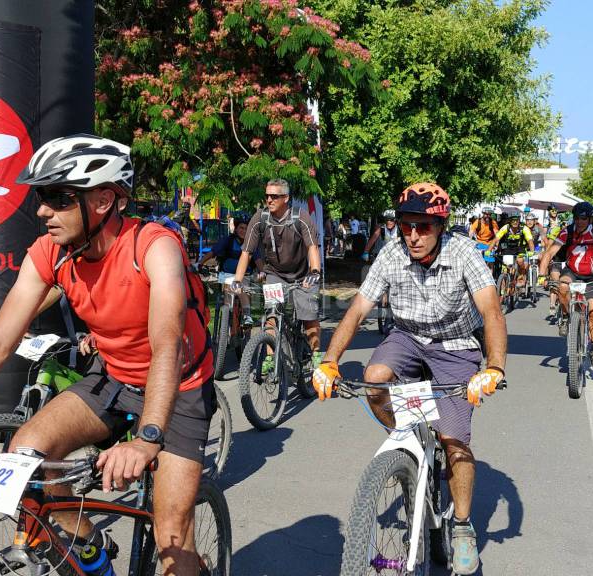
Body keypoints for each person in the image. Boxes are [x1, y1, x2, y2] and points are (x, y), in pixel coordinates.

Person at [0, 134, 215, 575]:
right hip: (116, 378)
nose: (43, 210)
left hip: (180, 389)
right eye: (40, 197)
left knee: (173, 537)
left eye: (58, 197)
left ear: (104, 200)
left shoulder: (153, 247)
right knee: (29, 450)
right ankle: (90, 550)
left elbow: (166, 343)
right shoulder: (52, 253)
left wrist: (147, 438)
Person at [311, 182, 506, 575]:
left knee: (454, 442)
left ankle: (463, 527)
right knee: (374, 377)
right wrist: (329, 361)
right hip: (407, 337)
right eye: (405, 226)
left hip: (455, 345)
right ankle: (409, 445)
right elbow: (356, 310)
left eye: (422, 227)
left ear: (440, 226)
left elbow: (491, 312)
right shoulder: (392, 253)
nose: (413, 236)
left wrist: (494, 367)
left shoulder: (463, 251)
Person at [232, 178, 324, 367]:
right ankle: (269, 358)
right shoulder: (260, 218)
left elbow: (312, 247)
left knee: (309, 316)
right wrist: (238, 280)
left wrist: (314, 271)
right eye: (267, 196)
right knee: (271, 315)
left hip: (302, 275)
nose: (269, 200)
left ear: (286, 198)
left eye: (274, 196)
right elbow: (246, 252)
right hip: (274, 273)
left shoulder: (301, 217)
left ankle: (315, 354)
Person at [537, 201, 593, 371]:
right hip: (572, 271)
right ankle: (567, 316)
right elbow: (550, 253)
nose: (579, 221)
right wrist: (541, 275)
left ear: (590, 218)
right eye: (576, 218)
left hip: (592, 275)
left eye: (583, 218)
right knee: (562, 287)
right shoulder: (567, 231)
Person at [198, 212, 260, 326]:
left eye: (246, 228)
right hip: (227, 274)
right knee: (228, 293)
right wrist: (200, 263)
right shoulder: (228, 240)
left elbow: (258, 261)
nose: (243, 231)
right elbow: (213, 252)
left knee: (241, 289)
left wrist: (263, 272)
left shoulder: (251, 243)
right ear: (236, 229)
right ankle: (227, 320)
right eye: (241, 228)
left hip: (245, 276)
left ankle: (247, 316)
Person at [494, 210, 534, 285]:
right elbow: (496, 239)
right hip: (508, 249)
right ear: (510, 221)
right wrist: (489, 250)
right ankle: (503, 289)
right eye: (513, 220)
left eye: (517, 220)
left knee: (520, 261)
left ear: (519, 220)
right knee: (506, 268)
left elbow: (530, 241)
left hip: (520, 248)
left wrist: (532, 251)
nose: (515, 222)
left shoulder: (524, 228)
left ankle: (521, 275)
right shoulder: (506, 227)